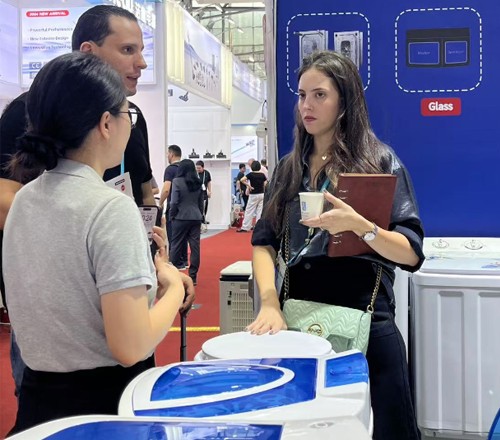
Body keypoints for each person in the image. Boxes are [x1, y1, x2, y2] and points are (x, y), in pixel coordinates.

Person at [0, 3, 195, 406]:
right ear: (107, 123)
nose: (140, 63)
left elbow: (144, 190)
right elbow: (130, 345)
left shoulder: (32, 200)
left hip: (43, 391)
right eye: (127, 50)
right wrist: (174, 284)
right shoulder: (105, 209)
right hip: (105, 401)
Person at [247, 51, 424, 440]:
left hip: (366, 325)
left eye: (319, 95)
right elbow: (263, 242)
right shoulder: (289, 167)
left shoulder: (378, 162)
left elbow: (411, 253)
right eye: (301, 95)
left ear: (345, 102)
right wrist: (270, 303)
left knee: (386, 429)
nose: (306, 106)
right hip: (298, 323)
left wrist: (361, 227)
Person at [169, 159, 204, 285]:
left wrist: (172, 215)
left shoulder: (177, 181)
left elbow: (174, 202)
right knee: (195, 247)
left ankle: (173, 275)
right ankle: (193, 277)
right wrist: (200, 216)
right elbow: (201, 203)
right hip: (195, 218)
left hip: (180, 217)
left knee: (176, 245)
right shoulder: (198, 182)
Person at [160, 144, 187, 268]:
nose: (167, 156)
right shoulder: (186, 169)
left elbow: (166, 189)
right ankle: (184, 260)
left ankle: (177, 262)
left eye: (167, 154)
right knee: (183, 236)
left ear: (171, 154)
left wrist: (160, 203)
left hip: (173, 208)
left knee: (173, 236)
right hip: (186, 208)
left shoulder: (170, 169)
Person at [237, 160, 267, 232]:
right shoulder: (262, 175)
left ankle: (245, 227)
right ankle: (258, 227)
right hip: (261, 194)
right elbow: (265, 183)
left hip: (253, 195)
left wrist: (249, 185)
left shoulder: (250, 174)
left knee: (249, 211)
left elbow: (241, 180)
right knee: (260, 211)